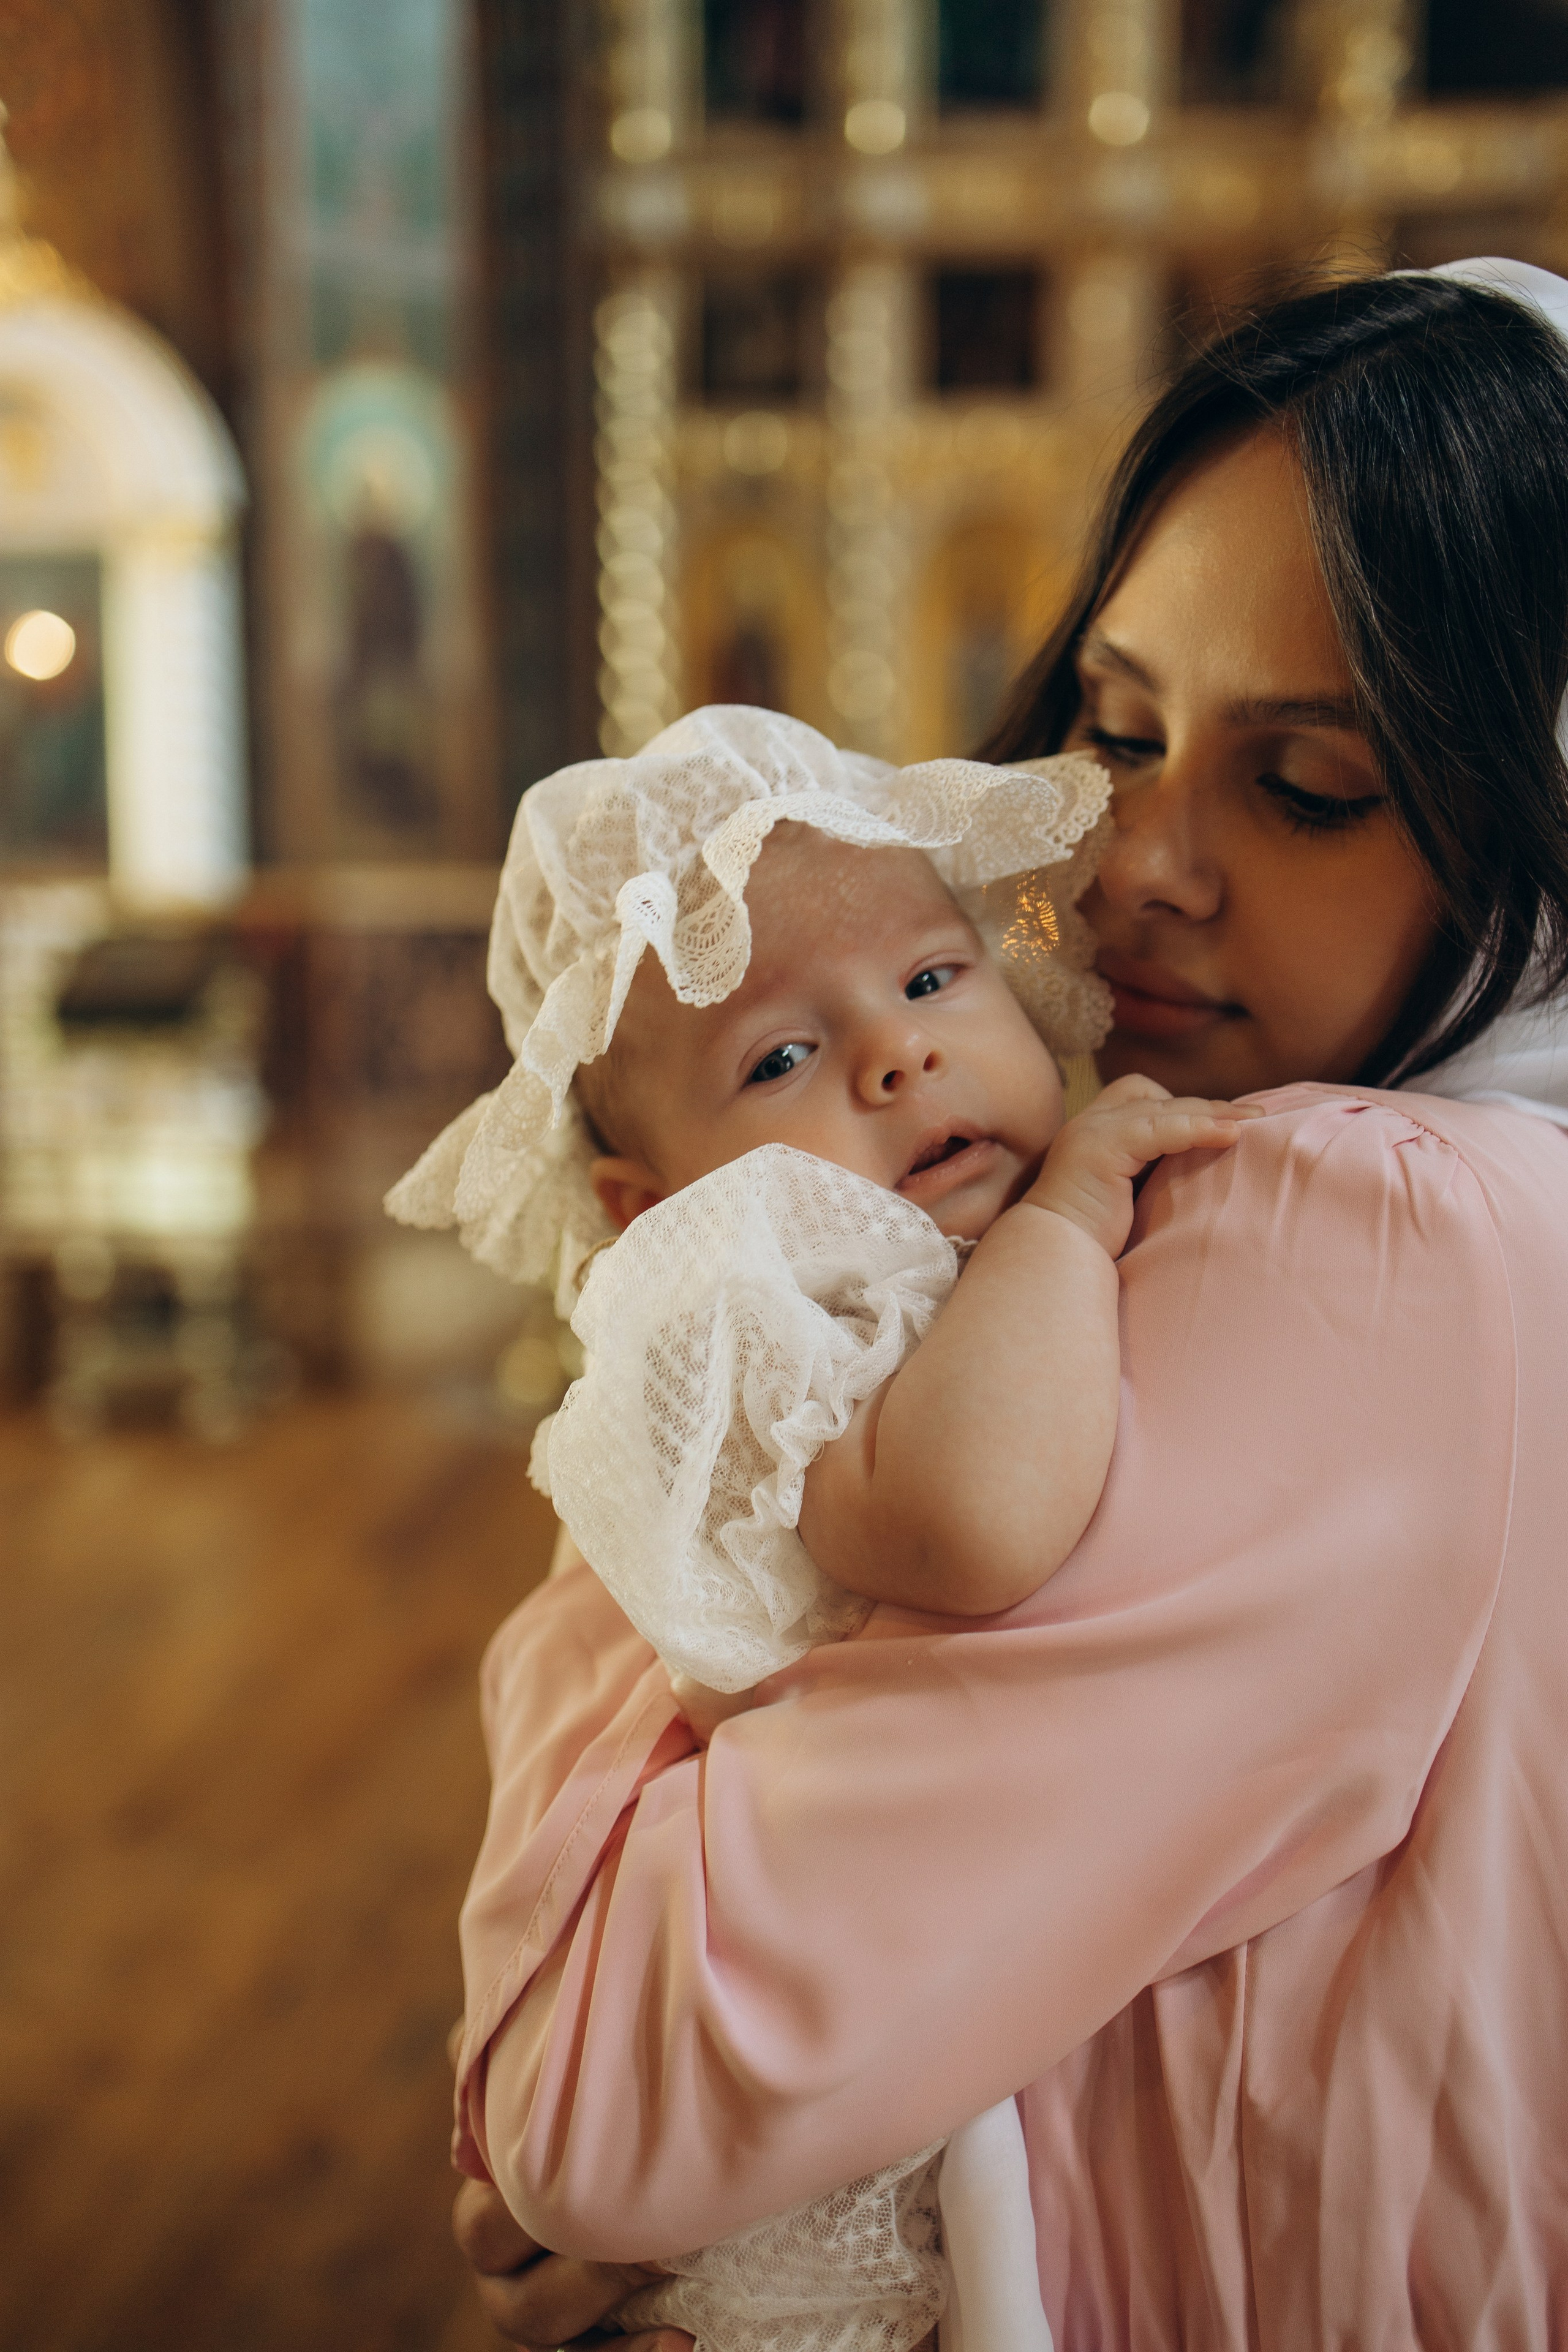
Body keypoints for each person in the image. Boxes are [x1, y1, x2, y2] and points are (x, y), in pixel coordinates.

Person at [447, 260, 1568, 2350]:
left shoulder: (1381, 1222)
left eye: (1309, 787)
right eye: (1119, 732)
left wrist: (532, 1990)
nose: (1142, 865)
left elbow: (599, 2102)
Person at [394, 707, 1256, 2351]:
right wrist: (1072, 1212)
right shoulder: (757, 1310)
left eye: (935, 979)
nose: (895, 1056)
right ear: (650, 1216)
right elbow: (974, 1518)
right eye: (778, 1057)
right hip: (795, 2076)